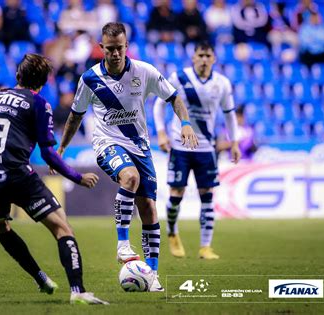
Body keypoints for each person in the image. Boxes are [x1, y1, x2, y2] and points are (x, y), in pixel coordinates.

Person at [0, 53, 108, 305]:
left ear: (18, 75)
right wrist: (77, 177)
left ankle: (40, 278)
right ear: (43, 82)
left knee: (2, 228)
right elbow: (48, 152)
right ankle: (77, 291)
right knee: (61, 228)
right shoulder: (38, 103)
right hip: (17, 176)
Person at [55, 22, 198, 292]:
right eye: (110, 49)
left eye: (120, 48)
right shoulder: (89, 79)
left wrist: (186, 123)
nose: (116, 54)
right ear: (101, 49)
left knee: (149, 209)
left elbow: (174, 98)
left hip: (140, 147)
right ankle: (122, 244)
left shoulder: (145, 72)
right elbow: (76, 115)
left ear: (126, 46)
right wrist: (62, 148)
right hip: (107, 144)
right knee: (129, 177)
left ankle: (152, 275)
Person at [153, 41, 241, 260]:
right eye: (200, 55)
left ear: (214, 59)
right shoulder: (179, 78)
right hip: (180, 145)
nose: (203, 59)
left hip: (206, 148)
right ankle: (173, 233)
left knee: (207, 196)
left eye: (207, 56)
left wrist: (235, 142)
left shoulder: (222, 83)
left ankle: (205, 247)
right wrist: (161, 133)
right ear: (193, 58)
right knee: (177, 193)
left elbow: (230, 114)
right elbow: (158, 104)